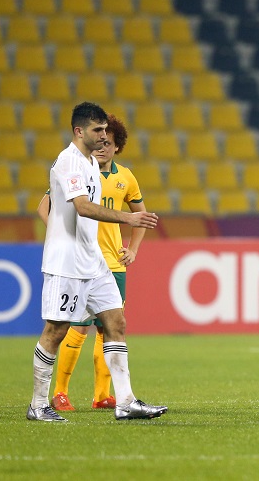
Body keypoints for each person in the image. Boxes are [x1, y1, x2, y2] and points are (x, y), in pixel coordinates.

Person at [28, 102, 166, 422]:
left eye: (106, 130)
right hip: (67, 264)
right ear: (79, 131)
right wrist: (129, 218)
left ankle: (125, 401)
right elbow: (83, 207)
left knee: (116, 322)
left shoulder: (92, 162)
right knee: (57, 330)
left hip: (95, 261)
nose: (104, 136)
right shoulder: (68, 163)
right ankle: (38, 403)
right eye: (98, 130)